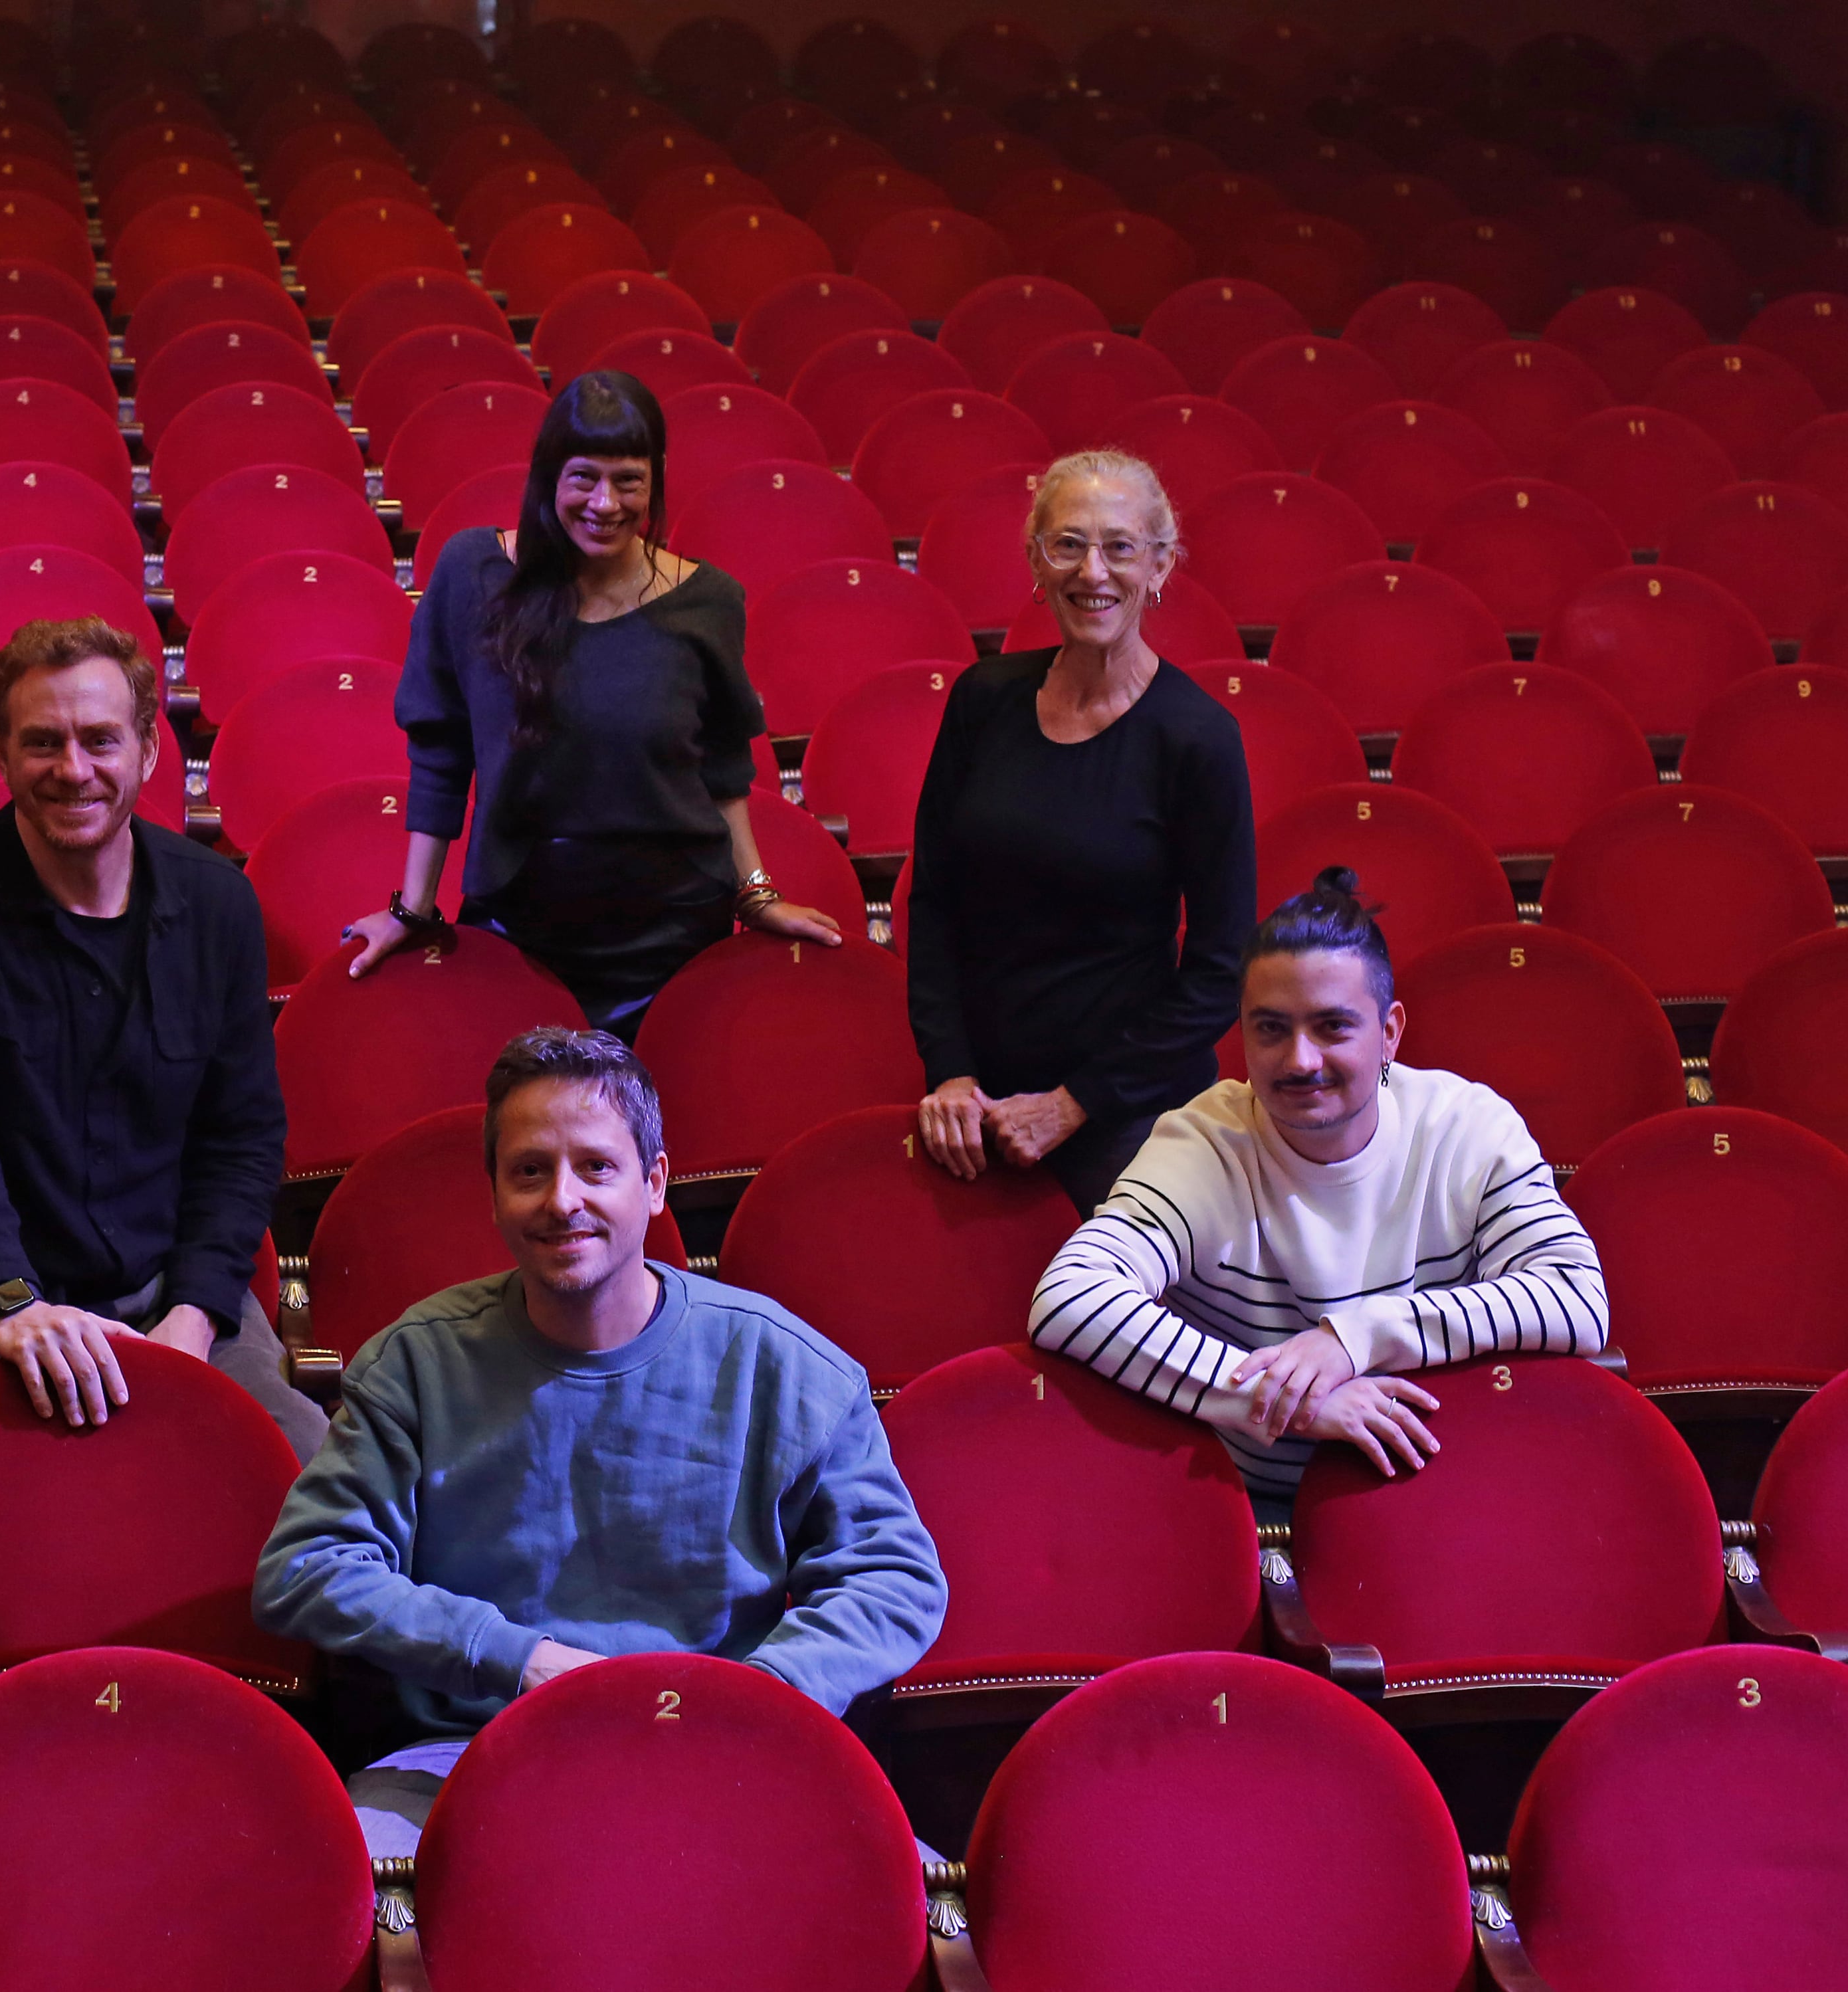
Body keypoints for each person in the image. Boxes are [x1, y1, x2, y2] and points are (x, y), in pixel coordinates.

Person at [257, 1027, 948, 1856]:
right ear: (493, 1195)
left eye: (595, 1166)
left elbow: (893, 1577)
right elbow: (306, 1569)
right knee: (316, 1890)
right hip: (464, 1755)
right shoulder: (414, 1362)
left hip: (727, 1748)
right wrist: (516, 1659)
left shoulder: (787, 1367)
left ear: (654, 1185)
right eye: (528, 1171)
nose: (560, 1200)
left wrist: (755, 1695)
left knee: (904, 1906)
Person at [0, 616, 327, 1456]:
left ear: (147, 751)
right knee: (39, 1486)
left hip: (159, 1282)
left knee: (306, 1475)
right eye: (43, 743)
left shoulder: (216, 904)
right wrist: (11, 1303)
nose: (73, 770)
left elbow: (240, 1137)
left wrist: (193, 1312)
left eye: (100, 740)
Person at [1028, 868, 1610, 1513]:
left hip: (1441, 1493)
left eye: (1331, 1026)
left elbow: (1577, 1301)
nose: (1299, 1060)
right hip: (1245, 1506)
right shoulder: (1203, 1143)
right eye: (1270, 1029)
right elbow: (1067, 1298)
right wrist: (1284, 1399)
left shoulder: (1464, 1127)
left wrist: (1353, 1338)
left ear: (1388, 1032)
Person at [346, 371, 844, 1039]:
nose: (605, 503)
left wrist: (755, 893)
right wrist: (413, 908)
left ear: (654, 482)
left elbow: (723, 772)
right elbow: (440, 752)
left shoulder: (709, 600)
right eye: (583, 477)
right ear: (548, 474)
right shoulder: (472, 573)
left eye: (628, 480)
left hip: (671, 932)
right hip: (518, 924)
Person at [906, 448, 1256, 1212]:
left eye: (1118, 547)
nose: (1090, 571)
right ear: (1036, 559)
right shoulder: (981, 699)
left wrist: (1072, 1104)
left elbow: (1217, 971)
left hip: (1128, 1114)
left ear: (1159, 567)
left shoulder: (1197, 736)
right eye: (1066, 544)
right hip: (975, 1112)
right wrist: (949, 1071)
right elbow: (932, 900)